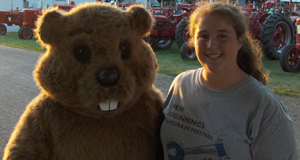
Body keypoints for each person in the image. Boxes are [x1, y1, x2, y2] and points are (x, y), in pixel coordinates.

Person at [160, 2, 299, 160]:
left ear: (239, 40)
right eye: (203, 36)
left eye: (222, 36)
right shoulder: (181, 84)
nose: (212, 45)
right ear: (192, 40)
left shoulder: (264, 107)